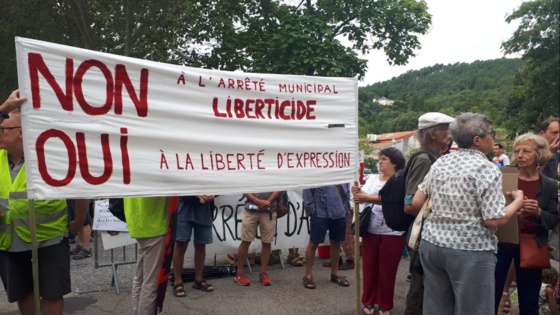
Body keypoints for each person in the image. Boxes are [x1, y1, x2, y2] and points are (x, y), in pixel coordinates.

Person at [413, 112, 525, 314]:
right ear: (477, 140)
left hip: (433, 245)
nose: (494, 137)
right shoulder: (486, 168)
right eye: (492, 133)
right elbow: (494, 219)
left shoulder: (440, 162)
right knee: (474, 308)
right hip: (469, 248)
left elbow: (417, 200)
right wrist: (517, 201)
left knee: (436, 306)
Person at [0, 90, 89, 315]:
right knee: (23, 292)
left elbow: (81, 188)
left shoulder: (47, 156)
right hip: (10, 241)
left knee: (51, 292)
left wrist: (78, 222)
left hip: (49, 239)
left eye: (3, 128)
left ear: (21, 133)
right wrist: (3, 109)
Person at [494, 133, 559, 315]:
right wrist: (514, 211)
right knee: (492, 293)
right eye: (517, 151)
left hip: (532, 244)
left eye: (526, 151)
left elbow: (553, 219)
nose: (519, 155)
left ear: (539, 154)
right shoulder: (504, 176)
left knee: (529, 300)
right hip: (503, 243)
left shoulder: (549, 185)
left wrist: (537, 212)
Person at [403, 112, 455, 315]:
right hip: (421, 234)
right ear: (433, 133)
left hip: (428, 234)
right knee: (420, 287)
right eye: (446, 130)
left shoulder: (435, 158)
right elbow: (409, 204)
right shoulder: (425, 160)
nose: (450, 134)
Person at [352, 147, 406, 315]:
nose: (380, 162)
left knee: (388, 270)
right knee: (369, 267)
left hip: (394, 231)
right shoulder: (373, 178)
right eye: (380, 158)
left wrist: (367, 198)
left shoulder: (402, 179)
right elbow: (361, 198)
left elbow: (396, 201)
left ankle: (385, 304)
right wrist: (357, 192)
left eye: (384, 159)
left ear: (395, 162)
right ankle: (368, 301)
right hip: (372, 228)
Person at [124, 196, 171, 315]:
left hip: (137, 220)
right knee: (151, 281)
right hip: (154, 222)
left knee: (140, 277)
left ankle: (137, 311)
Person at [302, 184, 351, 289]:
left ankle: (335, 273)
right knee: (314, 243)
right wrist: (311, 210)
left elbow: (346, 189)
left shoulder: (340, 169)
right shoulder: (318, 170)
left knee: (336, 243)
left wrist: (345, 208)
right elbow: (307, 188)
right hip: (320, 212)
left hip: (339, 212)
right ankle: (308, 275)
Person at [171, 195, 215, 297]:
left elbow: (218, 183)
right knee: (181, 244)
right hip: (184, 207)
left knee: (201, 245)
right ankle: (177, 281)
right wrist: (195, 193)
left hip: (204, 209)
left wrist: (214, 195)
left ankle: (199, 279)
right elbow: (179, 182)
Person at [234, 191, 280, 286]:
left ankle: (263, 272)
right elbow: (244, 188)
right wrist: (259, 201)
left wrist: (266, 202)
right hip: (252, 209)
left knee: (267, 242)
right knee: (246, 241)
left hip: (269, 211)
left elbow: (279, 188)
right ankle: (239, 272)